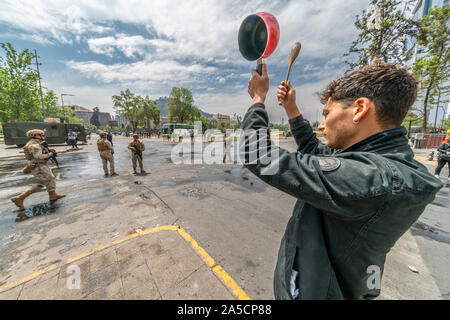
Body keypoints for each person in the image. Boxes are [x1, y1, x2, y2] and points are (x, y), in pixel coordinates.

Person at [241, 60, 443, 300]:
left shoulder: (371, 177)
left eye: (327, 113)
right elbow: (314, 151)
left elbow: (259, 154)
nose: (321, 124)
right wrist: (291, 108)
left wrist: (258, 98)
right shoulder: (375, 163)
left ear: (359, 109)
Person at [10, 129, 66, 208]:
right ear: (35, 136)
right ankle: (20, 198)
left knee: (51, 178)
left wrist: (50, 154)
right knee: (41, 183)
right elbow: (38, 157)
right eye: (42, 135)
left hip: (41, 165)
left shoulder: (37, 143)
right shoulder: (34, 145)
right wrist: (50, 154)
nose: (44, 136)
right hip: (38, 166)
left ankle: (52, 194)